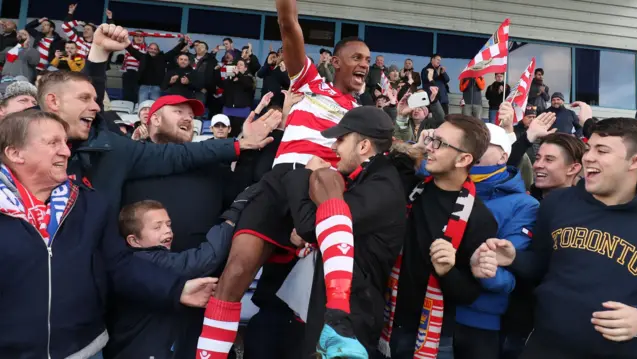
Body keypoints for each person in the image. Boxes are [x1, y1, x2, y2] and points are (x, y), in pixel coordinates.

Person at [195, 0, 371, 357]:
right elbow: (289, 25)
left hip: (317, 192)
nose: (364, 65)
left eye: (368, 60)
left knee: (295, 314)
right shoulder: (309, 83)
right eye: (357, 57)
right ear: (334, 62)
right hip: (278, 182)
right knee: (235, 272)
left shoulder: (364, 115)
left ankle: (338, 319)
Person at [0, 110, 216, 359]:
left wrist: (177, 289)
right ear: (15, 153)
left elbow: (118, 265)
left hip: (83, 350)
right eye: (52, 143)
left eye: (65, 143)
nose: (66, 152)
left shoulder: (89, 204)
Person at [36, 24, 277, 216]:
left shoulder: (205, 162)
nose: (188, 118)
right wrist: (98, 54)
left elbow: (232, 198)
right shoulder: (118, 153)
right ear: (155, 120)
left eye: (192, 115)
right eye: (178, 111)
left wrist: (243, 146)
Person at [477, 117, 637, 358]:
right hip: (543, 348)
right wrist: (513, 258)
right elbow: (540, 266)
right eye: (589, 149)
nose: (589, 157)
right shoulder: (558, 203)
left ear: (635, 161)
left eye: (602, 150)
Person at [274, 106, 408, 357]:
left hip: (352, 312)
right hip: (343, 305)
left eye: (341, 139)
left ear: (364, 146)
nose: (334, 148)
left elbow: (311, 226)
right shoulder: (371, 178)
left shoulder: (381, 186)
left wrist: (303, 175)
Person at [378, 115, 498, 359]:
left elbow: (469, 294)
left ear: (464, 159)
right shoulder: (411, 187)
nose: (430, 147)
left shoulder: (479, 218)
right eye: (432, 138)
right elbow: (383, 165)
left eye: (440, 144)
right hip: (382, 319)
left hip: (428, 337)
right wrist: (416, 150)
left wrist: (447, 271)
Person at [105, 188, 257, 359]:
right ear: (134, 240)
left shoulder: (152, 258)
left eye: (168, 224)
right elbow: (205, 259)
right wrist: (232, 217)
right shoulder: (145, 261)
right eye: (157, 227)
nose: (167, 230)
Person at [457, 123, 537, 359]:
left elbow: (506, 277)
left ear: (504, 155)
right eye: (469, 143)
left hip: (478, 321)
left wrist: (486, 268)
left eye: (484, 144)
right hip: (427, 307)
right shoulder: (442, 184)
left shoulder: (524, 204)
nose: (475, 149)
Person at [531, 132, 586, 200]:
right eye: (537, 158)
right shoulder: (523, 202)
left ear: (573, 169)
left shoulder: (586, 207)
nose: (538, 165)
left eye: (549, 159)